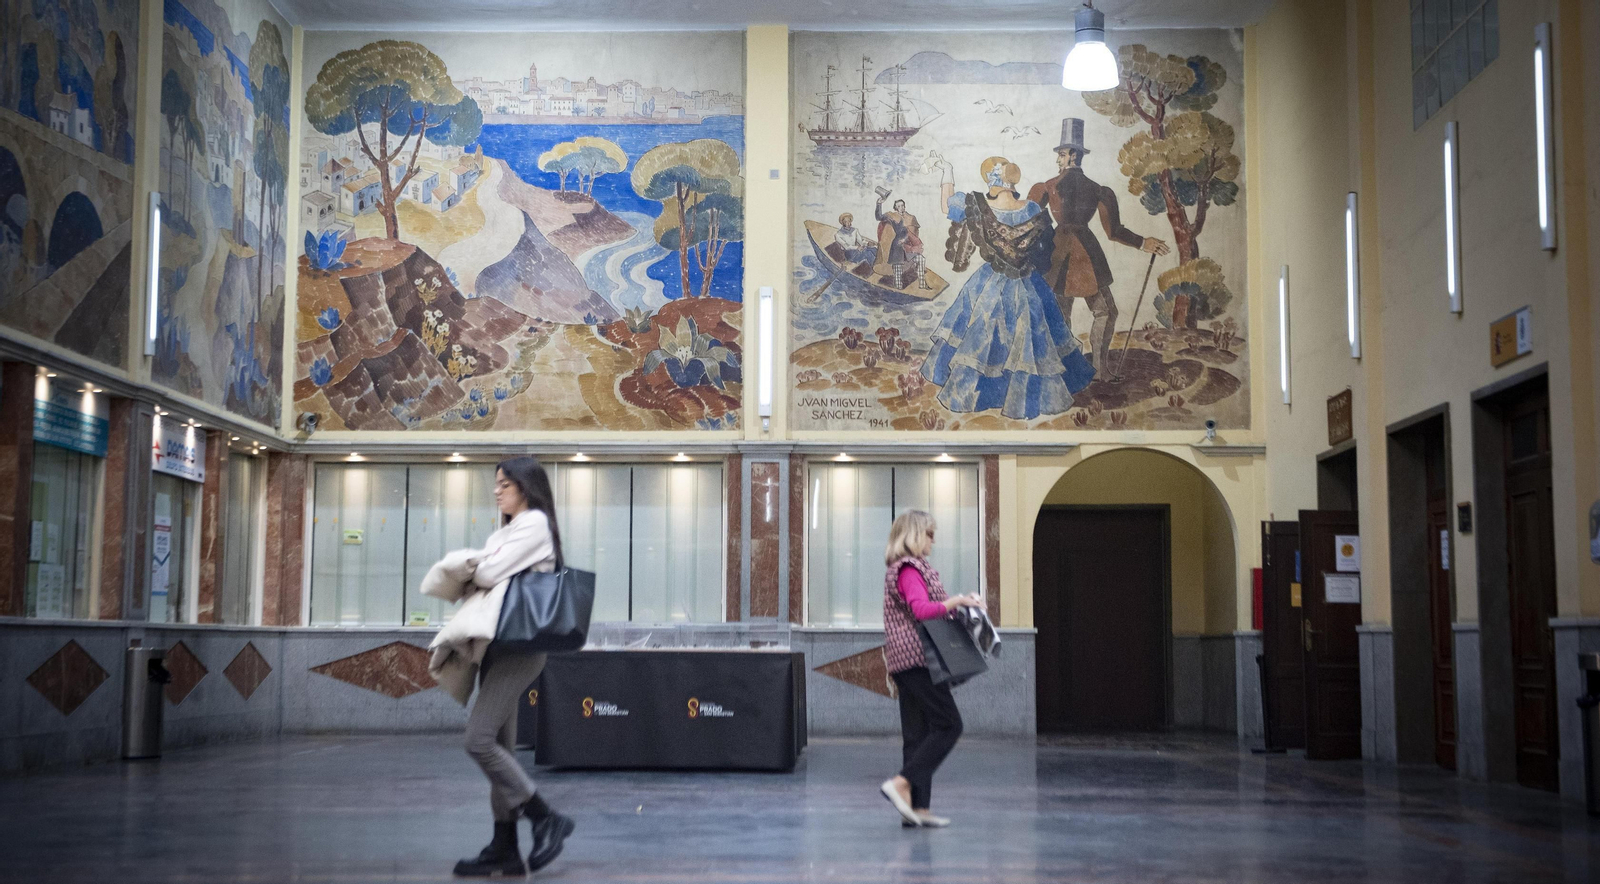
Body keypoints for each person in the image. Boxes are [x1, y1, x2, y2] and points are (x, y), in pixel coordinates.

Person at [423, 456, 576, 878]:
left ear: (526, 487)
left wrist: (478, 568)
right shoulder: (508, 530)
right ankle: (504, 847)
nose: (497, 491)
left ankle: (545, 817)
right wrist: (481, 568)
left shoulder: (535, 524)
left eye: (505, 484)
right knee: (501, 750)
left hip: (519, 648)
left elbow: (487, 572)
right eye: (496, 484)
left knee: (478, 740)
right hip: (498, 645)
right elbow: (486, 571)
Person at [919, 156, 1097, 419]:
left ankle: (981, 394)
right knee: (1033, 335)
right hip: (1029, 283)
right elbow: (1045, 251)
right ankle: (1024, 398)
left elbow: (948, 205)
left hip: (991, 283)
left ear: (991, 181)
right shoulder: (1032, 209)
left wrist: (948, 170)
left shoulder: (978, 206)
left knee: (982, 333)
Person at [1027, 117, 1170, 373]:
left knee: (1061, 314)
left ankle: (1066, 371)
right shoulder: (1097, 190)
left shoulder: (1047, 187)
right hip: (1087, 252)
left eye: (1061, 154)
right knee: (1105, 312)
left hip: (1057, 254)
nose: (1058, 160)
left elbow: (1028, 221)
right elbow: (1114, 232)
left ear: (1073, 155)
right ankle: (1100, 370)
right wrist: (1142, 243)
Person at [879, 509, 984, 829]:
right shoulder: (909, 569)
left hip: (904, 660)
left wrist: (961, 603)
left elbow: (931, 609)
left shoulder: (904, 568)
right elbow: (923, 611)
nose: (933, 541)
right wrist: (958, 601)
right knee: (949, 724)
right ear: (914, 535)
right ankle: (901, 783)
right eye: (929, 534)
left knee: (917, 734)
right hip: (917, 658)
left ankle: (917, 809)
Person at [875, 194, 928, 290]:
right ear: (896, 208)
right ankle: (898, 287)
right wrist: (879, 204)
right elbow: (879, 217)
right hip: (897, 245)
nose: (901, 207)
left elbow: (915, 232)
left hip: (908, 245)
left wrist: (911, 241)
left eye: (902, 205)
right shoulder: (892, 216)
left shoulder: (911, 217)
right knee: (897, 267)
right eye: (898, 206)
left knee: (921, 260)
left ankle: (922, 284)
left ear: (905, 206)